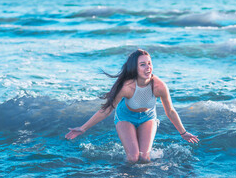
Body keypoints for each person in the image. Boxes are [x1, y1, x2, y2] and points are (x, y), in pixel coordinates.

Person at [65, 49, 199, 163]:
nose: (148, 68)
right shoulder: (127, 87)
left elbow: (170, 111)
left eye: (149, 63)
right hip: (125, 116)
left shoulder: (159, 86)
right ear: (135, 68)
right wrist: (83, 128)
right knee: (133, 157)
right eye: (143, 65)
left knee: (145, 157)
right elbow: (106, 110)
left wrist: (183, 132)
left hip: (148, 117)